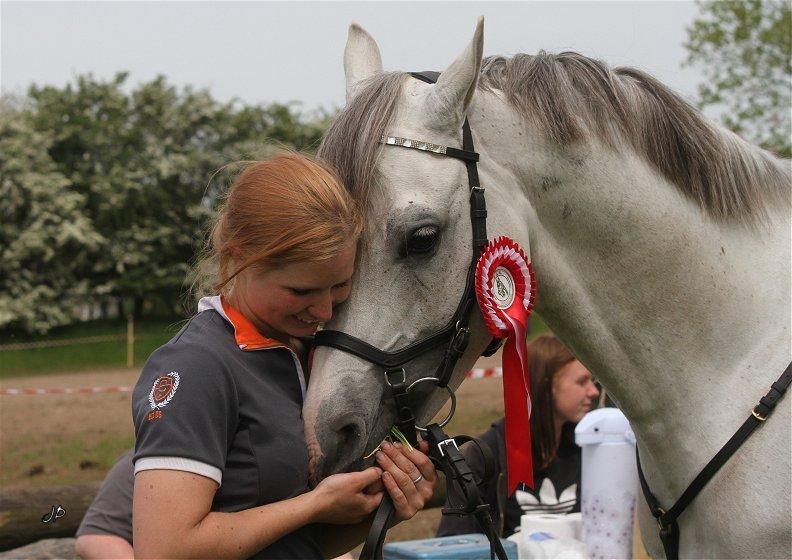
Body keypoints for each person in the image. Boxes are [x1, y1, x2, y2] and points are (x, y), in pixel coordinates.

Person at [75, 153, 437, 560]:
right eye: (301, 291)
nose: (323, 311)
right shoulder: (197, 366)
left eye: (339, 285)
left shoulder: (303, 352)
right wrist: (316, 505)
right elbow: (165, 549)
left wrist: (381, 506)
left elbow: (296, 544)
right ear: (238, 257)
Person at [437, 334, 599, 538]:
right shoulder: (487, 454)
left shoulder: (586, 447)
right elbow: (452, 542)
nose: (593, 391)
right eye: (582, 382)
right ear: (546, 386)